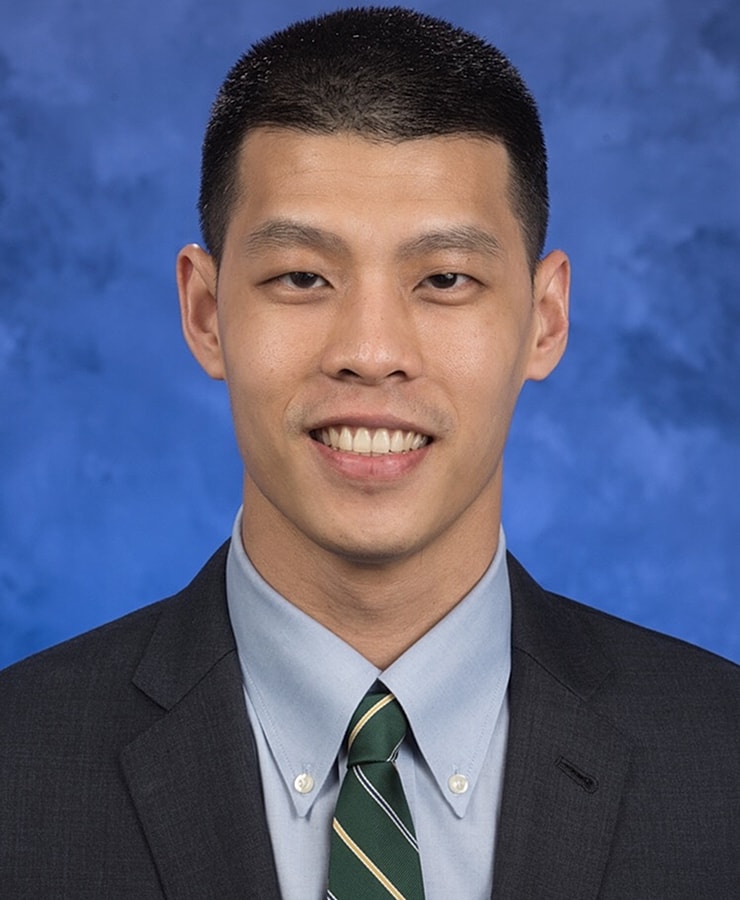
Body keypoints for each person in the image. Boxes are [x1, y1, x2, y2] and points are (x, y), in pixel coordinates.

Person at [1, 7, 738, 899]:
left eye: (445, 279)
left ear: (545, 320)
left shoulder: (721, 758)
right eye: (302, 277)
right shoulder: (19, 765)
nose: (372, 348)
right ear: (205, 312)